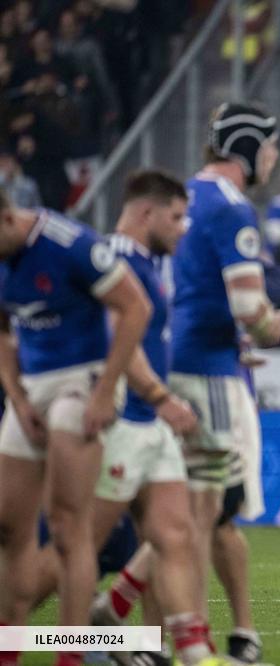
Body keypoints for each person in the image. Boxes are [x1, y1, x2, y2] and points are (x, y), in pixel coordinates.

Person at [28, 170, 220, 665]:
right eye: (176, 218)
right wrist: (160, 397)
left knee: (174, 535)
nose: (183, 229)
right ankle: (14, 629)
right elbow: (117, 338)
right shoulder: (114, 259)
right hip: (124, 422)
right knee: (72, 554)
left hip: (149, 426)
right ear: (145, 214)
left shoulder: (145, 262)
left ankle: (194, 655)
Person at [144, 102, 280, 665]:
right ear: (248, 148)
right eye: (269, 145)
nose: (272, 156)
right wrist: (271, 326)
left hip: (159, 368)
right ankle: (188, 644)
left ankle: (137, 639)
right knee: (200, 517)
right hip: (207, 375)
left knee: (161, 516)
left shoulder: (183, 197)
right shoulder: (231, 206)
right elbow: (250, 305)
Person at [0, 191, 150, 666]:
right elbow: (2, 333)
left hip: (82, 379)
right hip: (31, 387)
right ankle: (8, 651)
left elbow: (136, 308)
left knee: (67, 526)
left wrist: (106, 390)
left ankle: (71, 656)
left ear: (7, 217)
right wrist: (18, 399)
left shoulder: (70, 243)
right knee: (6, 526)